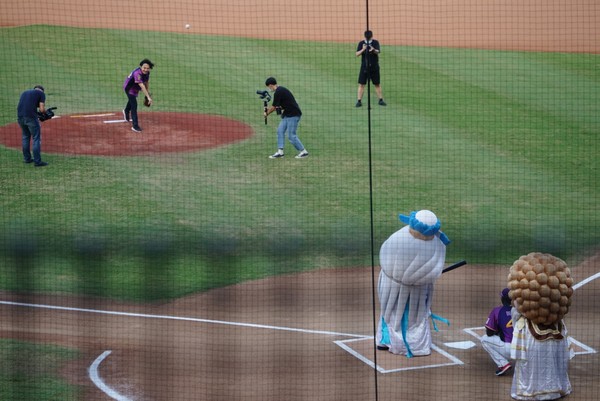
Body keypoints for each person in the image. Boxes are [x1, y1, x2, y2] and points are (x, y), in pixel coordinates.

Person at [376, 210, 450, 357]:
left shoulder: (400, 236)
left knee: (394, 313)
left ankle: (387, 340)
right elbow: (435, 270)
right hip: (411, 289)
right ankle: (414, 346)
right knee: (411, 317)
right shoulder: (436, 244)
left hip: (395, 287)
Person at [263, 77, 309, 159]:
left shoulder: (279, 92)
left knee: (291, 135)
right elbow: (281, 105)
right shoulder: (281, 90)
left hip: (293, 115)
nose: (269, 89)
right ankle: (280, 152)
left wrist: (266, 113)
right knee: (280, 131)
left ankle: (303, 151)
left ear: (270, 85)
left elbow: (274, 107)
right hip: (287, 114)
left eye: (268, 87)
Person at [481, 288, 514, 376]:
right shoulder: (518, 311)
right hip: (522, 349)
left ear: (502, 299)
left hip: (509, 349)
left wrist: (498, 330)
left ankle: (503, 364)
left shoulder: (497, 311)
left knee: (484, 339)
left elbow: (489, 333)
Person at [17, 85, 48, 167]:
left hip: (20, 118)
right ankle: (37, 162)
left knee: (25, 137)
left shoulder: (25, 92)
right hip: (31, 118)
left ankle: (27, 159)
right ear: (42, 91)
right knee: (36, 138)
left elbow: (26, 105)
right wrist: (46, 112)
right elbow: (41, 109)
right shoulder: (41, 94)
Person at [355, 30, 386, 107]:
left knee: (377, 83)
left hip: (374, 67)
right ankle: (359, 101)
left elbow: (378, 51)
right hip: (364, 67)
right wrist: (363, 49)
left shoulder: (375, 43)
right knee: (361, 84)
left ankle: (380, 100)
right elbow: (357, 54)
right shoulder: (361, 43)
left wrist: (373, 50)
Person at [123, 58, 154, 132]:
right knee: (134, 105)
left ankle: (126, 111)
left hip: (135, 88)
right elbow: (142, 85)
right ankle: (135, 126)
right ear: (141, 67)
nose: (146, 69)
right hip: (129, 88)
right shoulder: (137, 73)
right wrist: (148, 97)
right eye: (144, 68)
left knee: (132, 101)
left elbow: (146, 83)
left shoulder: (147, 73)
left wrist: (147, 93)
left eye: (147, 68)